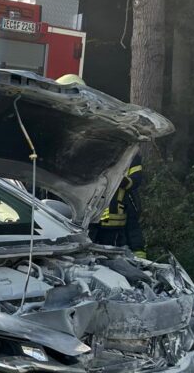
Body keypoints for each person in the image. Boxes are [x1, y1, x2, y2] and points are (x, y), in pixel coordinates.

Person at [54, 74, 147, 257]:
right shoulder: (61, 145)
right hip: (74, 225)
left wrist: (139, 254)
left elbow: (135, 183)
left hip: (109, 230)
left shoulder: (125, 155)